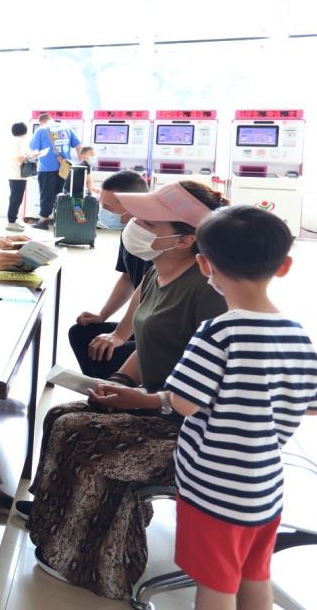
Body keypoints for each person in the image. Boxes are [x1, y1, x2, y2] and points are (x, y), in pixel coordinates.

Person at [90, 205, 317, 610]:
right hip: (266, 484)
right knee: (254, 572)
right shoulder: (297, 333)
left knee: (215, 581)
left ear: (204, 264)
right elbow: (310, 405)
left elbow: (184, 402)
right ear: (284, 266)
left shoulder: (219, 332)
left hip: (214, 483)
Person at [19, 181, 230, 600]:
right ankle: (57, 525)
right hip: (158, 404)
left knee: (85, 436)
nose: (133, 224)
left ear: (186, 240)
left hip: (194, 429)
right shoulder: (157, 271)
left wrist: (147, 400)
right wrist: (120, 381)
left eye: (148, 222)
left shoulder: (209, 293)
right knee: (60, 415)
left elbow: (213, 389)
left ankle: (99, 565)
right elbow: (145, 342)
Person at [69, 171, 151, 379]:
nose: (104, 213)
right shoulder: (129, 231)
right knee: (81, 333)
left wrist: (119, 335)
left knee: (107, 351)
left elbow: (147, 288)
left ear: (133, 204)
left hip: (161, 328)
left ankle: (111, 393)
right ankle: (97, 390)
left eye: (108, 208)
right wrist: (102, 316)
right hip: (142, 321)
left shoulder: (160, 235)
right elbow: (127, 278)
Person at [28, 112, 82, 231]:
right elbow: (78, 144)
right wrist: (80, 157)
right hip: (65, 166)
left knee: (47, 194)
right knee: (62, 194)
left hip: (47, 168)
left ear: (41, 122)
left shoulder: (41, 130)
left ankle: (43, 221)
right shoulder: (66, 128)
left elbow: (32, 151)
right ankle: (61, 219)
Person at [5, 122, 40, 233]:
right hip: (17, 175)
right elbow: (20, 158)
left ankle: (12, 221)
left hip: (14, 174)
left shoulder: (14, 141)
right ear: (25, 130)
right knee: (16, 199)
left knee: (15, 198)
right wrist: (33, 156)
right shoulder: (19, 141)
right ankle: (11, 222)